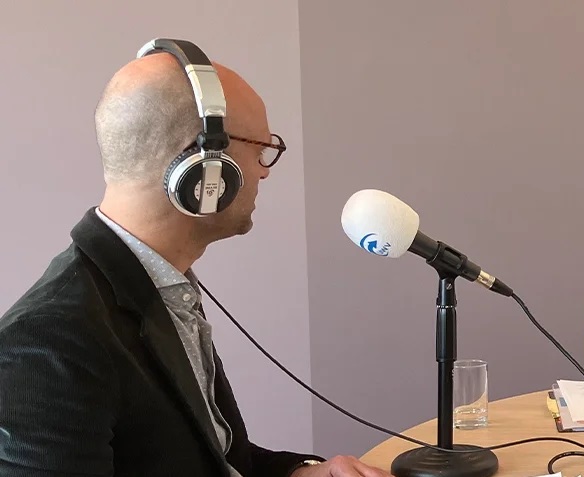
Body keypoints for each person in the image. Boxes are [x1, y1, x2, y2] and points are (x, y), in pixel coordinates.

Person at [0, 39, 391, 476]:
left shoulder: (161, 286)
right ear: (206, 168)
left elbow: (208, 455)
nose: (264, 171)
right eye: (260, 149)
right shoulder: (44, 346)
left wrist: (300, 472)